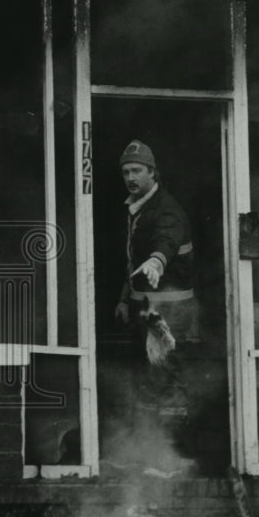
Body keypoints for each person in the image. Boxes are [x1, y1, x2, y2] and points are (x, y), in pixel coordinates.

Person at [114, 140, 196, 438]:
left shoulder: (166, 210)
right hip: (147, 308)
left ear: (153, 173)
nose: (131, 178)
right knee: (149, 378)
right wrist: (125, 298)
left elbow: (165, 242)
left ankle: (174, 453)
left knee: (167, 378)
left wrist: (157, 262)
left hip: (169, 311)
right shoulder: (138, 207)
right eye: (126, 172)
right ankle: (150, 451)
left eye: (137, 170)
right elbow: (134, 260)